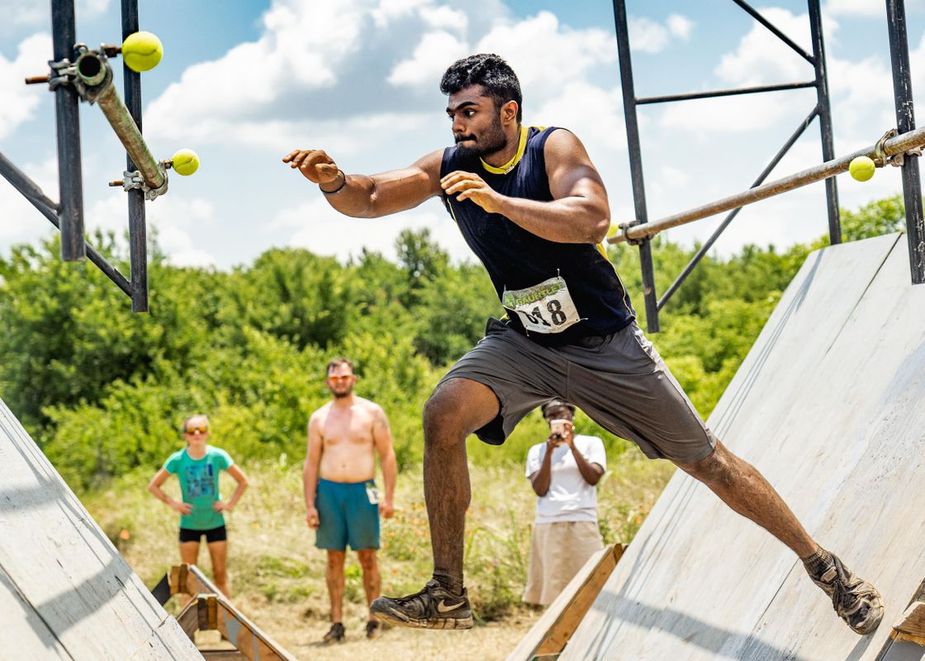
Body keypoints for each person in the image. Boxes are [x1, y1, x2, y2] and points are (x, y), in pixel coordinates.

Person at [282, 53, 883, 635]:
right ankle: (448, 592)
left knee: (707, 462)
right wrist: (335, 181)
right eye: (452, 115)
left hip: (605, 345)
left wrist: (499, 203)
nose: (458, 125)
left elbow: (591, 218)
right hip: (527, 346)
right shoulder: (448, 166)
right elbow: (372, 195)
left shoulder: (552, 147)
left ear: (508, 112)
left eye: (469, 112)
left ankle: (824, 567)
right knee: (442, 413)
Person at [303, 357, 397, 643]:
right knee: (334, 558)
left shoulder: (371, 412)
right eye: (334, 378)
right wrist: (309, 504)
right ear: (327, 382)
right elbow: (311, 463)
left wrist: (389, 497)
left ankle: (374, 619)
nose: (340, 382)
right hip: (329, 492)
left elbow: (388, 456)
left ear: (353, 378)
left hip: (362, 491)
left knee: (368, 556)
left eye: (344, 377)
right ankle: (337, 622)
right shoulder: (319, 418)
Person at [148, 414, 249, 597]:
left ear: (207, 433)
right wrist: (174, 504)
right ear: (185, 435)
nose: (197, 433)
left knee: (220, 575)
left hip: (215, 522)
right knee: (189, 577)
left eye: (201, 430)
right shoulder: (177, 459)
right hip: (189, 524)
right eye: (191, 430)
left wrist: (229, 504)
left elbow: (243, 481)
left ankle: (227, 622)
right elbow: (153, 486)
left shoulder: (217, 456)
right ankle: (185, 624)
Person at [523, 400, 605, 607]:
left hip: (582, 519)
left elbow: (593, 478)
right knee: (554, 587)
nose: (557, 419)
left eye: (561, 414)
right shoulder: (537, 451)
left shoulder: (591, 443)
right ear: (546, 421)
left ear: (572, 415)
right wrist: (550, 453)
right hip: (549, 521)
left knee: (592, 581)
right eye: (551, 416)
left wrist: (572, 447)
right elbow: (540, 489)